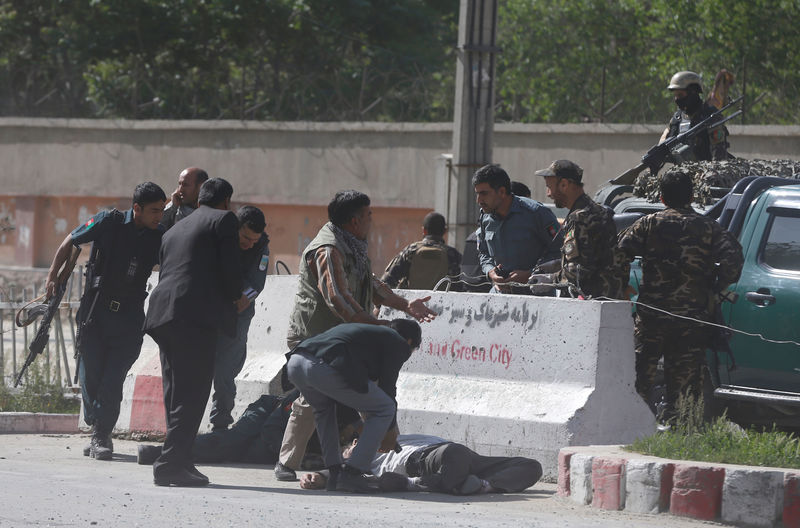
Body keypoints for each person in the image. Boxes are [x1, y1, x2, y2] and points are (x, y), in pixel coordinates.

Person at [274, 190, 436, 482]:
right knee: (314, 400)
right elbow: (338, 298)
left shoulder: (353, 247)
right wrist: (374, 326)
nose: (372, 220)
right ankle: (288, 461)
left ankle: (352, 462)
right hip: (315, 336)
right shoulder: (328, 250)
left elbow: (371, 285)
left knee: (356, 393)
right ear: (354, 221)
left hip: (344, 338)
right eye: (368, 215)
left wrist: (404, 305)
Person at [46, 183, 166, 461]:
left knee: (112, 382)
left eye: (162, 210)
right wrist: (53, 274)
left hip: (130, 317)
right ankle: (95, 422)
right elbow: (71, 240)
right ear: (136, 208)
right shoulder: (108, 221)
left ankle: (102, 436)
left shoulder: (160, 236)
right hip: (95, 314)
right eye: (154, 210)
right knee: (91, 380)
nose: (159, 216)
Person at [618, 170, 743, 422]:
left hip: (652, 316)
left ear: (662, 198)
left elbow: (618, 254)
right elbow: (734, 260)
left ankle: (629, 429)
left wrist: (623, 286)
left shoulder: (648, 224)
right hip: (691, 319)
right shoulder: (708, 228)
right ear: (692, 195)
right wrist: (717, 287)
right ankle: (682, 438)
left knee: (638, 378)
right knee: (686, 387)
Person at [144, 178, 243, 487]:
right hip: (194, 316)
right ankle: (170, 463)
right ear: (226, 201)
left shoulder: (174, 228)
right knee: (194, 391)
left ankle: (182, 460)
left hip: (163, 312)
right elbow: (230, 272)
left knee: (176, 392)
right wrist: (236, 296)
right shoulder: (224, 219)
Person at [286, 320, 422, 493]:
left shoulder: (368, 337)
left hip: (296, 362)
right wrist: (390, 431)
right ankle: (353, 473)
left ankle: (335, 473)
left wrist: (361, 424)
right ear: (410, 342)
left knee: (324, 411)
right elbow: (387, 388)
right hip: (323, 367)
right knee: (386, 408)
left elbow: (351, 395)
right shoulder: (398, 343)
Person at [300, 434, 542, 495]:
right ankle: (428, 483)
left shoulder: (383, 436)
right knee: (453, 455)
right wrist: (318, 475)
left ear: (355, 441)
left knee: (532, 466)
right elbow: (338, 472)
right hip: (429, 461)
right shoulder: (361, 465)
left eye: (347, 450)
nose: (348, 456)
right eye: (346, 457)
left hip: (461, 456)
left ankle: (485, 486)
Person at [209, 205, 271, 431]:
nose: (249, 244)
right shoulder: (219, 236)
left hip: (237, 316)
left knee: (226, 372)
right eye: (245, 237)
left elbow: (256, 285)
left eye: (254, 240)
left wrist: (240, 299)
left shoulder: (261, 248)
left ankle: (221, 422)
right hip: (210, 311)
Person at [531, 160, 629, 299]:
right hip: (608, 297)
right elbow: (596, 257)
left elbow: (577, 271)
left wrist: (550, 280)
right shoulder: (600, 211)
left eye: (549, 187)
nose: (548, 194)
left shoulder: (579, 218)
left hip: (590, 302)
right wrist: (558, 264)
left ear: (564, 184)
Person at [474, 165, 563, 294]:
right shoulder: (485, 217)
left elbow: (559, 251)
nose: (479, 200)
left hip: (536, 297)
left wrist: (531, 274)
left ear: (502, 192)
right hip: (499, 296)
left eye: (484, 194)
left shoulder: (536, 213)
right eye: (477, 194)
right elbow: (484, 253)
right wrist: (491, 272)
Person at [461, 181, 530, 293]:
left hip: (477, 288)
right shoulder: (487, 228)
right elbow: (484, 257)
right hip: (488, 288)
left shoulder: (473, 235)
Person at [659, 71, 729, 163]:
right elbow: (661, 146)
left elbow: (719, 155)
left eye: (680, 95)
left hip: (707, 171)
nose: (677, 99)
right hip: (681, 173)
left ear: (693, 92)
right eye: (675, 95)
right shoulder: (676, 119)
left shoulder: (710, 116)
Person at [381, 212, 462, 291]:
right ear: (445, 231)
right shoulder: (453, 254)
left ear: (424, 230)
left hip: (413, 303)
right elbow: (461, 285)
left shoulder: (411, 250)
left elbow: (387, 281)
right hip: (444, 303)